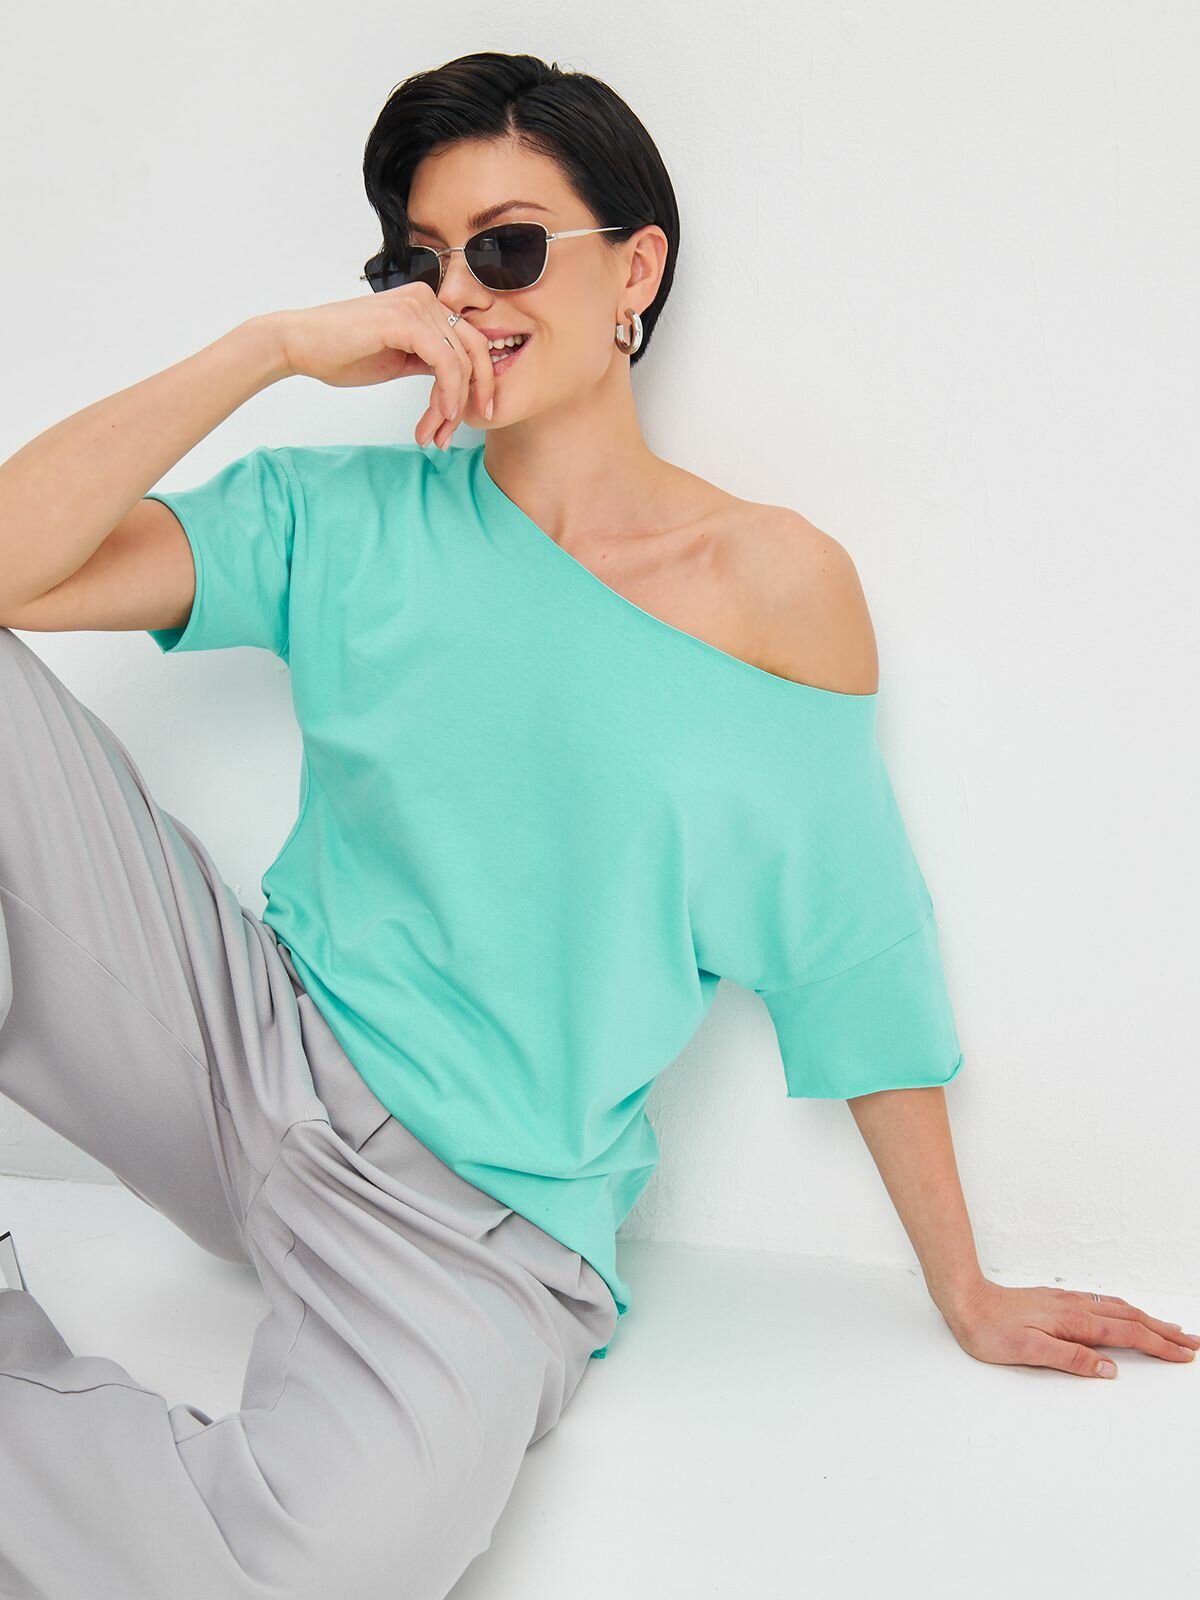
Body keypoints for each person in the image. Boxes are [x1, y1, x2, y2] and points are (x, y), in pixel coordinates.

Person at [3, 44, 1195, 1600]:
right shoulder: (335, 516)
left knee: (327, 1569)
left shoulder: (772, 586)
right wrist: (269, 349)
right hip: (241, 1051)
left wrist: (961, 1285)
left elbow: (847, 939)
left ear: (636, 269)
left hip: (471, 1215)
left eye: (505, 248)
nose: (461, 295)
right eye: (419, 263)